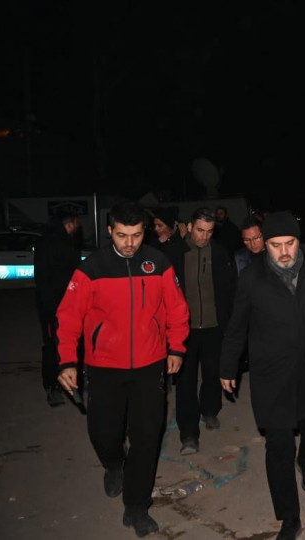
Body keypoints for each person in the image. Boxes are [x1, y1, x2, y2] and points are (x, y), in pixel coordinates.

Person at [55, 201, 189, 537]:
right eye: (122, 235)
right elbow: (68, 316)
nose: (129, 243)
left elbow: (176, 308)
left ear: (145, 232)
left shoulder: (158, 263)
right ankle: (114, 464)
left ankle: (137, 505)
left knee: (147, 437)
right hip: (104, 367)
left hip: (150, 365)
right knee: (104, 432)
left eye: (136, 235)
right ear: (109, 231)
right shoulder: (92, 268)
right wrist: (67, 360)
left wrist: (176, 347)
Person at [219, 211, 305, 540]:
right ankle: (289, 516)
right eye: (275, 245)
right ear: (265, 244)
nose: (284, 252)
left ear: (299, 241)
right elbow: (237, 325)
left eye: (290, 243)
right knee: (279, 443)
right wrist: (227, 367)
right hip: (271, 373)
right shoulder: (251, 278)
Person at [171, 209, 237, 454]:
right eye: (200, 230)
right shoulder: (175, 253)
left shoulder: (220, 253)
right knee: (185, 381)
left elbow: (230, 290)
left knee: (212, 374)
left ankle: (210, 411)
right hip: (184, 330)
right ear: (189, 227)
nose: (204, 236)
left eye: (209, 231)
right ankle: (189, 434)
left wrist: (229, 324)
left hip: (214, 327)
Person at [34, 209, 82, 407]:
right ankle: (52, 386)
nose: (79, 227)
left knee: (72, 343)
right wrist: (52, 309)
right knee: (52, 346)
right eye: (77, 223)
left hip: (68, 304)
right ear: (69, 223)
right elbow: (43, 278)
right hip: (53, 306)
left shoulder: (66, 242)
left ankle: (72, 382)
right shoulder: (49, 243)